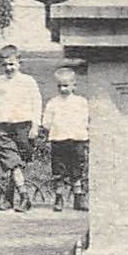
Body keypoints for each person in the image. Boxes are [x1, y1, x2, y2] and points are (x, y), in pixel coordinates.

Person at [0, 45, 42, 213]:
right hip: (2, 127)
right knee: (12, 162)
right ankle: (24, 196)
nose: (8, 68)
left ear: (19, 63)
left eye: (11, 64)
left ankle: (9, 197)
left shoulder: (28, 81)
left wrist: (35, 126)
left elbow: (36, 103)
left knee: (17, 164)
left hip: (23, 126)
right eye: (4, 65)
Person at [42, 67, 91, 212]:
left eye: (66, 86)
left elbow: (86, 119)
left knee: (77, 169)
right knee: (59, 170)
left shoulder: (81, 102)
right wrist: (55, 128)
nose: (62, 89)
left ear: (74, 85)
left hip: (77, 140)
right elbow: (46, 122)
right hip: (59, 140)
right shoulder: (53, 102)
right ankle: (59, 198)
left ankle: (78, 198)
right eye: (59, 86)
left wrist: (82, 131)